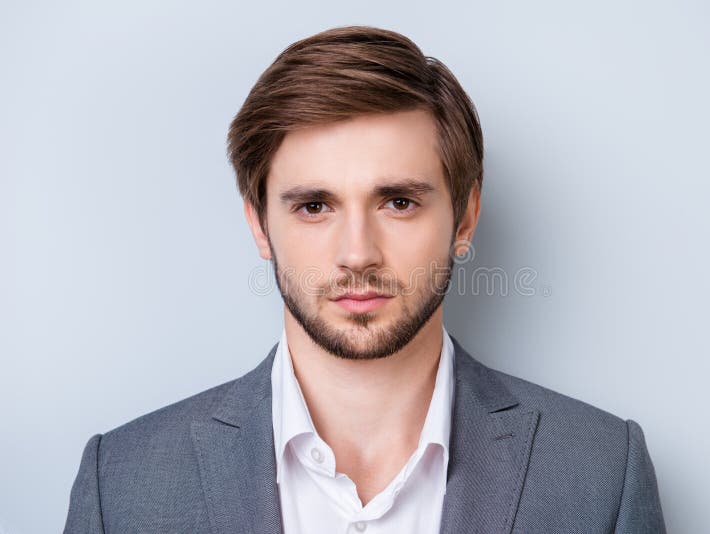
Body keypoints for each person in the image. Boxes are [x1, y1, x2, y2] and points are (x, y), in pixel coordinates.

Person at [64, 25, 667, 533]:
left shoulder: (601, 473)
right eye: (314, 206)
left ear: (466, 215)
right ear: (259, 224)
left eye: (399, 202)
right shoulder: (120, 485)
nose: (357, 254)